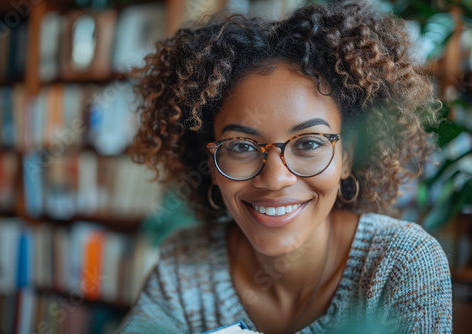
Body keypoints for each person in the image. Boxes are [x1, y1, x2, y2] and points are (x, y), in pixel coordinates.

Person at [116, 1, 452, 333]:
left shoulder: (400, 264)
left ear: (347, 156)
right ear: (211, 164)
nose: (275, 179)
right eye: (242, 147)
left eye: (308, 144)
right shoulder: (186, 266)